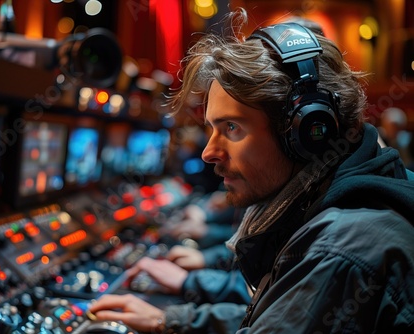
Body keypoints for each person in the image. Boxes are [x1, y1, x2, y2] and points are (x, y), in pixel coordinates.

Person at [89, 8, 414, 333]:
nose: (208, 153)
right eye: (211, 129)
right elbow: (275, 316)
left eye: (231, 128)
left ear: (305, 134)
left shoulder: (341, 251)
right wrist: (172, 319)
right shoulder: (346, 209)